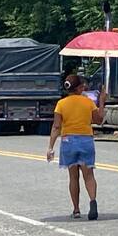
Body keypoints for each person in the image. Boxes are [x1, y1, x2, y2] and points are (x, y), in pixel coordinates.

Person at [46, 75, 106, 220]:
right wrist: (102, 101)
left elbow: (56, 126)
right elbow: (98, 120)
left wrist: (50, 147)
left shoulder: (61, 104)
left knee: (73, 177)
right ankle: (92, 201)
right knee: (89, 176)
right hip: (86, 140)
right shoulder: (88, 102)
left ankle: (76, 209)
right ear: (79, 88)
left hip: (68, 141)